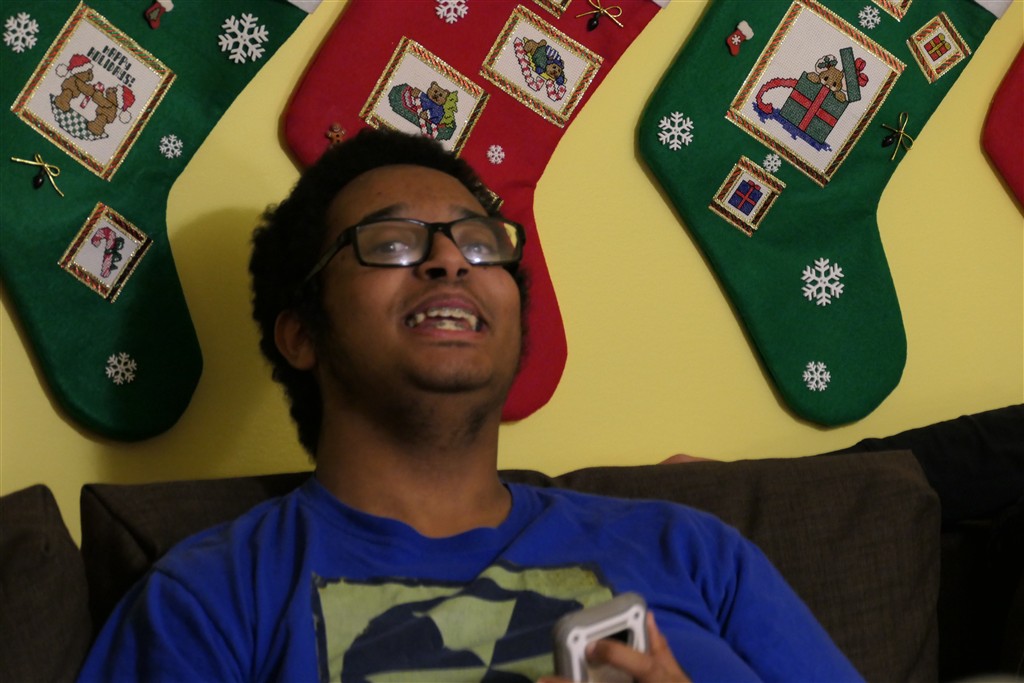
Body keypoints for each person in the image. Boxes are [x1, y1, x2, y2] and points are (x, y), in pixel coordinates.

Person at [76, 128, 862, 682]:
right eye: (391, 242)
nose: (450, 259)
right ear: (301, 335)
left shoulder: (692, 549)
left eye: (480, 241)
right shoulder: (209, 599)